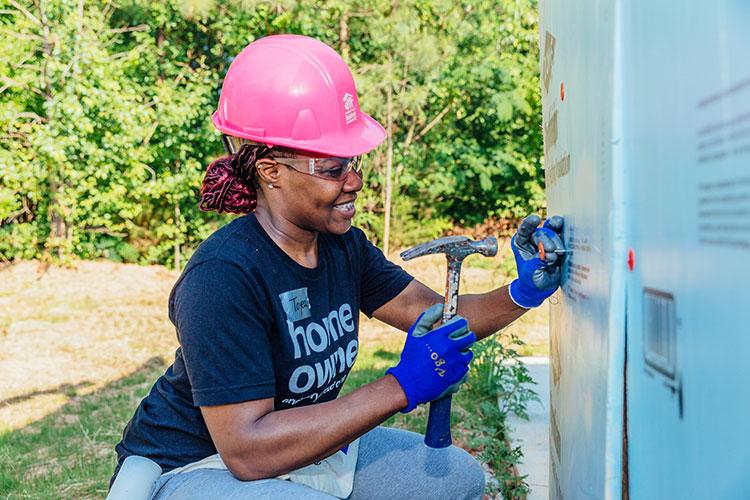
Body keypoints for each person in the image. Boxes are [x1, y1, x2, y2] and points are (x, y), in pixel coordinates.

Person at [110, 34, 566, 500]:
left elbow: (436, 314)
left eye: (354, 161)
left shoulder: (341, 246)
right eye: (332, 169)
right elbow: (247, 451)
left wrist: (523, 292)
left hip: (299, 446)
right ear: (271, 171)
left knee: (457, 480)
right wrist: (400, 386)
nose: (356, 181)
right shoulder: (222, 278)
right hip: (192, 467)